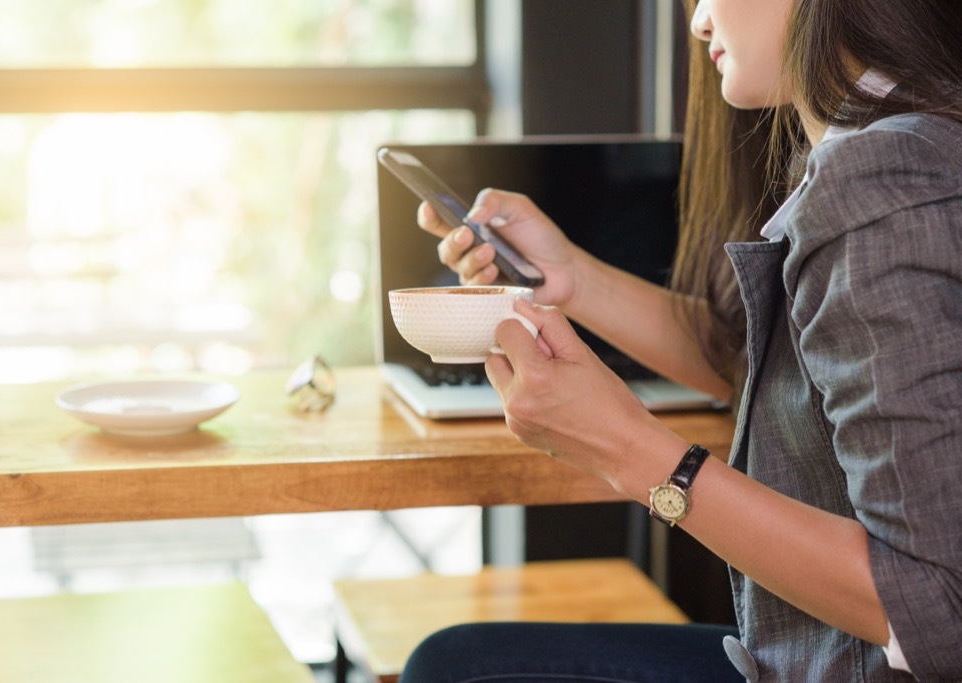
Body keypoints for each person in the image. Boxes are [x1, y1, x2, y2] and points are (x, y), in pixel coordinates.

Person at [398, 0, 962, 681]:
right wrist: (570, 278)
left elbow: (936, 609)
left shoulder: (882, 184)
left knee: (454, 669)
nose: (696, 25)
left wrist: (630, 449)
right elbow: (777, 377)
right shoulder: (907, 148)